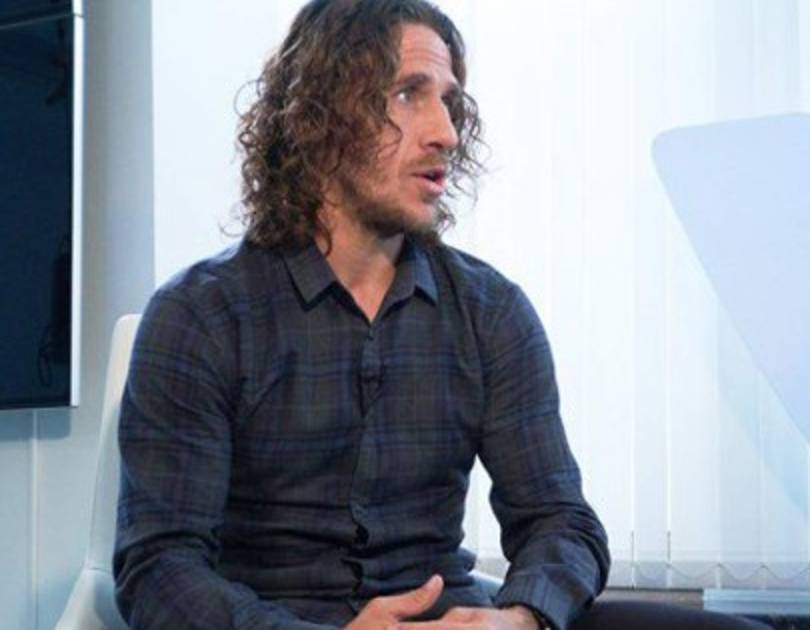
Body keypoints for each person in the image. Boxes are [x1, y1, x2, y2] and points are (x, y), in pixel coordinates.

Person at [114, 1, 769, 629]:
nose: (446, 133)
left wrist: (519, 618)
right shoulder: (201, 316)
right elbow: (158, 569)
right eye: (409, 94)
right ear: (320, 116)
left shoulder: (491, 312)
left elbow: (560, 522)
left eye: (449, 103)